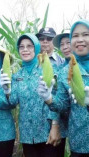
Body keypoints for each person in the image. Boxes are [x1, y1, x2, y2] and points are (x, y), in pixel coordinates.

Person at [0, 33, 61, 157]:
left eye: (29, 46)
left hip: (47, 132)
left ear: (36, 48)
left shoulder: (47, 68)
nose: (25, 50)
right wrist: (6, 91)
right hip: (27, 134)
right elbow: (13, 102)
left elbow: (58, 99)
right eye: (21, 47)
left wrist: (55, 126)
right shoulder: (17, 75)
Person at [37, 19, 89, 157]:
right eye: (75, 36)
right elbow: (63, 105)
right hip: (80, 142)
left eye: (85, 34)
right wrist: (49, 98)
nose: (80, 40)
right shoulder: (64, 72)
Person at [36, 27, 68, 156]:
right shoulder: (32, 61)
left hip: (54, 125)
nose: (45, 42)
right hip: (34, 127)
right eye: (42, 39)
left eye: (49, 39)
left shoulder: (62, 63)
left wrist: (56, 125)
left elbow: (62, 97)